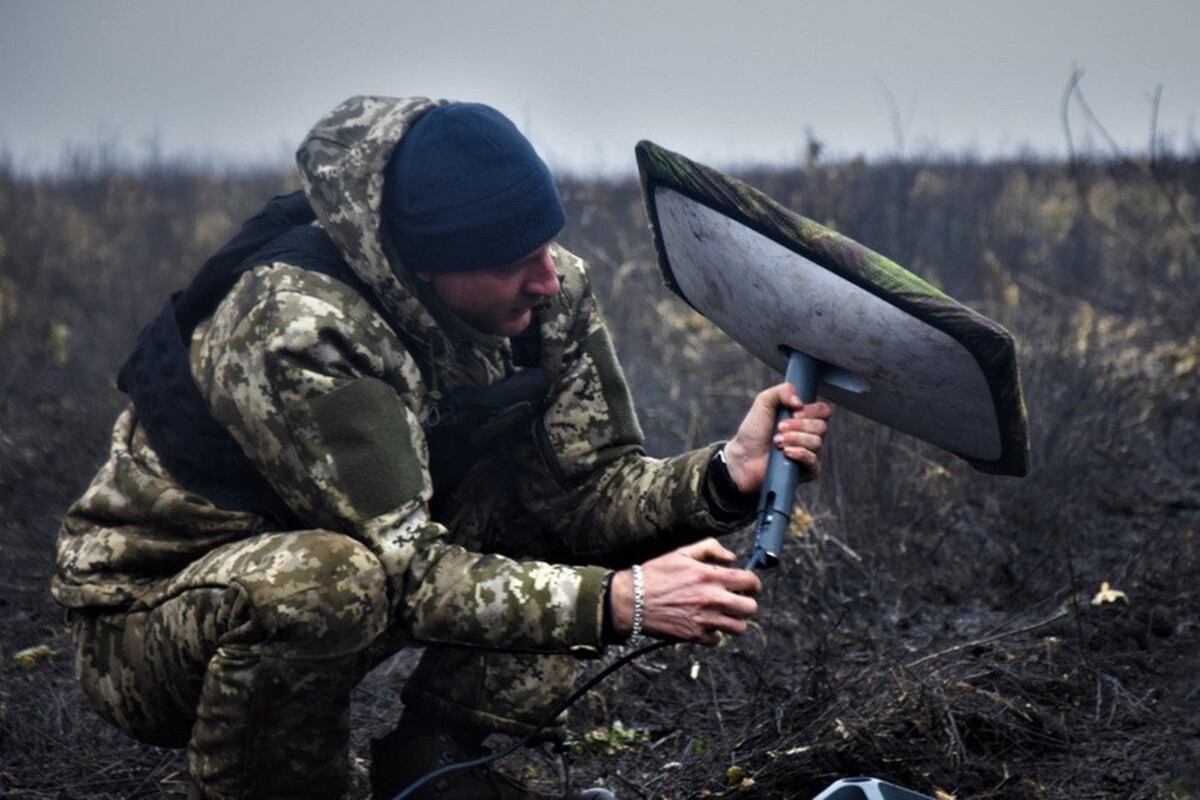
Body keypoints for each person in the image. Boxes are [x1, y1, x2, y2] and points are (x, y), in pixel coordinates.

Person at [52, 96, 832, 800]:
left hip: (365, 571)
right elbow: (406, 570)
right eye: (509, 263)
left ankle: (435, 771)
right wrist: (615, 602)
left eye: (546, 247)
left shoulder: (549, 296)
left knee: (531, 513)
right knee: (326, 582)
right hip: (154, 624)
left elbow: (589, 490)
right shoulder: (299, 327)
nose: (547, 282)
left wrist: (726, 476)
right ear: (423, 265)